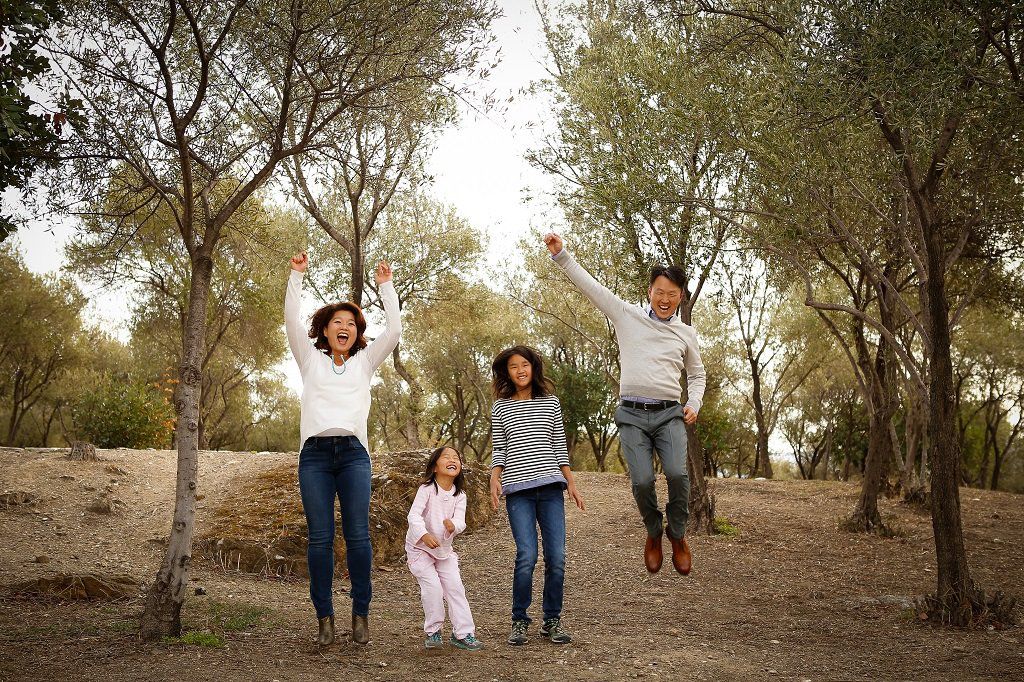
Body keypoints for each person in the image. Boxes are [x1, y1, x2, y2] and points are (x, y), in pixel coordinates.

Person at [544, 233, 706, 576]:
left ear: (681, 297)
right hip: (632, 415)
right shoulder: (626, 315)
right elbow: (593, 288)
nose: (664, 299)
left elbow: (697, 375)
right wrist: (562, 256)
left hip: (669, 415)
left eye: (672, 295)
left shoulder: (686, 334)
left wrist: (694, 402)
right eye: (659, 292)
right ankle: (653, 530)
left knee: (678, 475)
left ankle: (676, 534)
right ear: (650, 291)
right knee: (642, 481)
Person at [286, 251, 401, 646]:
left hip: (354, 456)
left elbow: (395, 333)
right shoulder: (309, 360)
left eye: (351, 324)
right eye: (338, 322)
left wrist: (386, 287)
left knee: (357, 536)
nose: (345, 327)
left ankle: (361, 615)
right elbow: (289, 320)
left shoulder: (364, 362)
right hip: (314, 457)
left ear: (356, 333)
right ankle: (324, 618)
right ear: (325, 329)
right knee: (319, 537)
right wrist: (296, 276)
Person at [489, 345, 585, 646]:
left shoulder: (551, 403)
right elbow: (499, 450)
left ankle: (552, 620)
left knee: (557, 557)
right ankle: (519, 620)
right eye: (513, 366)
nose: (520, 370)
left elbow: (559, 447)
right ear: (507, 372)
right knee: (527, 555)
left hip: (551, 490)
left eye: (525, 365)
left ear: (533, 368)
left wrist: (571, 484)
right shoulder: (500, 407)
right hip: (519, 492)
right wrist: (495, 478)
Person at [405, 446, 483, 651]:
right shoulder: (427, 489)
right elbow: (414, 516)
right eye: (446, 457)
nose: (452, 460)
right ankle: (433, 630)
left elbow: (461, 522)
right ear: (434, 467)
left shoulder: (460, 494)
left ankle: (463, 634)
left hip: (444, 552)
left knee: (456, 588)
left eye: (456, 457)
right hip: (419, 549)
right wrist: (423, 535)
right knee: (433, 587)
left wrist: (453, 526)